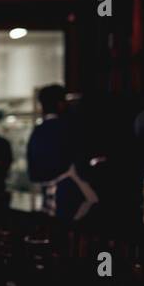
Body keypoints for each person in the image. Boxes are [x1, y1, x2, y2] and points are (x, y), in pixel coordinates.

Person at [27, 84, 98, 222]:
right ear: (59, 103)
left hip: (46, 196)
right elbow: (82, 163)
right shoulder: (69, 127)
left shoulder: (37, 132)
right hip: (70, 193)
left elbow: (33, 173)